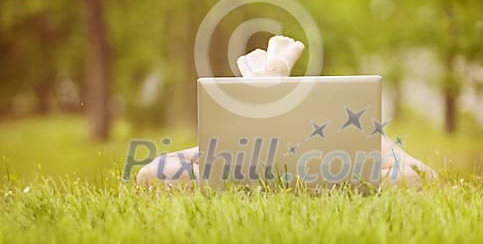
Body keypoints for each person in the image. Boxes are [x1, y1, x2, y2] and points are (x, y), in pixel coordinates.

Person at [137, 36, 438, 186]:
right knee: (151, 174)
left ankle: (266, 81)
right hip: (242, 173)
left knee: (410, 178)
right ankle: (266, 84)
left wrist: (382, 148)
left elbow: (428, 177)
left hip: (337, 177)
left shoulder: (350, 131)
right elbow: (148, 174)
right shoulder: (234, 145)